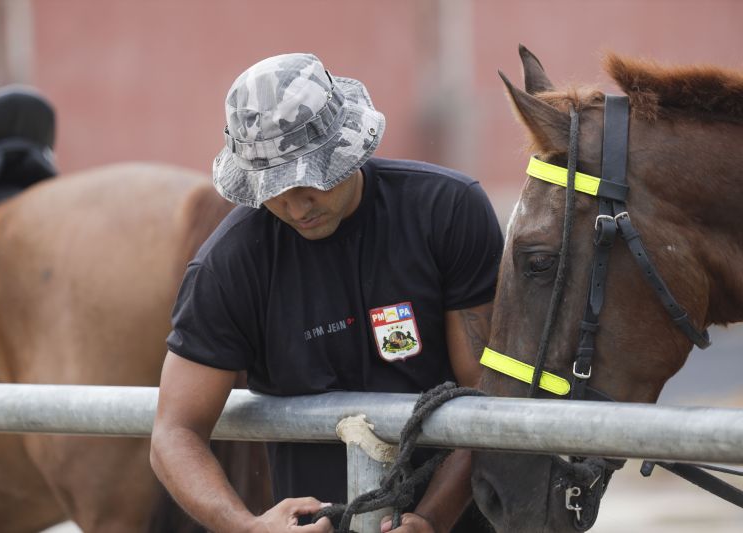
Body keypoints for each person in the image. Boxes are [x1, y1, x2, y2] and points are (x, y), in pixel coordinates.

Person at [150, 52, 503, 533]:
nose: (296, 206)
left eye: (310, 180)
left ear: (348, 149)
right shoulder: (228, 265)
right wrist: (247, 527)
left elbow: (486, 397)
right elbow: (174, 433)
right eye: (274, 190)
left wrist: (433, 520)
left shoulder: (447, 212)